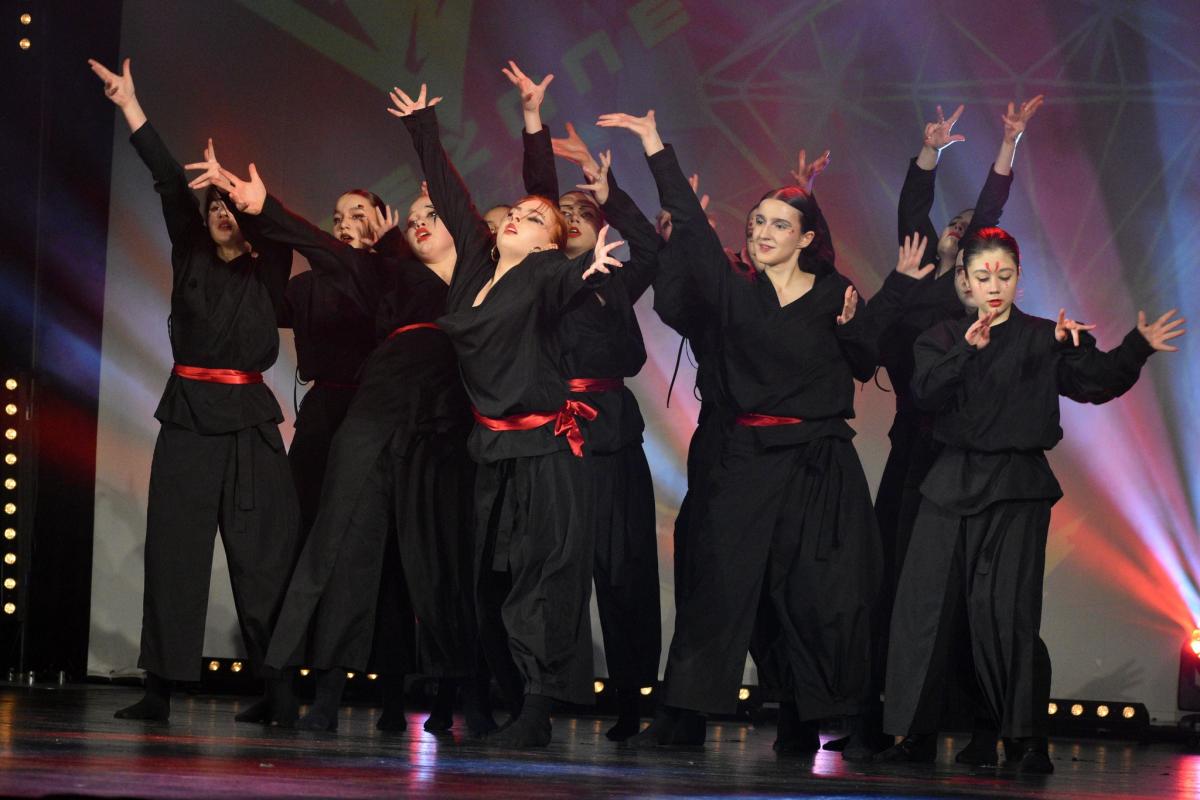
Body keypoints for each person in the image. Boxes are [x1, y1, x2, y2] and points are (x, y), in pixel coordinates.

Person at [599, 109, 892, 760]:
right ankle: (681, 715)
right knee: (719, 588)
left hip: (816, 463)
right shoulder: (735, 290)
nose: (761, 232)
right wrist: (654, 145)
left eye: (779, 224)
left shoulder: (835, 293)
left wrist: (851, 329)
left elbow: (866, 360)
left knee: (813, 593)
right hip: (743, 459)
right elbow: (693, 231)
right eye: (756, 221)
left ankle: (811, 716)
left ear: (806, 237)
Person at [194, 156, 486, 735]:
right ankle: (322, 692)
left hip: (441, 422)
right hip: (374, 412)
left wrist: (428, 135)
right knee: (343, 547)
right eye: (415, 216)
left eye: (431, 214)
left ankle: (458, 694)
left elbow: (477, 221)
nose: (420, 222)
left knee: (434, 560)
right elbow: (320, 250)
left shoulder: (480, 278)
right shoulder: (382, 274)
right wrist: (264, 210)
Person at [884, 226, 1184, 772]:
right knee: (927, 610)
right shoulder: (942, 336)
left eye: (1005, 275)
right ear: (964, 281)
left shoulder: (1046, 336)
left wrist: (1134, 347)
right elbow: (925, 392)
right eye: (983, 276)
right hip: (949, 481)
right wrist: (967, 351)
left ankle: (1024, 738)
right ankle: (917, 733)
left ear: (1019, 279)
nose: (994, 286)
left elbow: (1095, 384)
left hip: (1016, 485)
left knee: (1007, 613)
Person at [391, 84, 624, 748]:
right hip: (491, 451)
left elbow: (567, 278)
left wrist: (589, 270)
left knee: (539, 579)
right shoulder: (475, 267)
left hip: (545, 451)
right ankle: (507, 699)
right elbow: (454, 198)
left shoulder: (546, 275)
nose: (518, 216)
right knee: (488, 584)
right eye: (515, 212)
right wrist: (423, 128)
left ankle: (538, 711)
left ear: (551, 243)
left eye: (533, 216)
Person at [89, 57, 300, 724]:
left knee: (262, 558)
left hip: (249, 424)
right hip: (187, 416)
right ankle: (160, 687)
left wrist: (253, 200)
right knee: (174, 551)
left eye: (230, 207)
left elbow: (275, 228)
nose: (220, 213)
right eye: (213, 206)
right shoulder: (189, 253)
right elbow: (167, 181)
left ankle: (280, 689)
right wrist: (132, 108)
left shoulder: (269, 269)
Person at [874, 98, 1043, 763]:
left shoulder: (965, 297)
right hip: (912, 446)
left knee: (974, 593)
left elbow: (989, 216)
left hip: (958, 448)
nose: (958, 229)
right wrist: (929, 153)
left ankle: (985, 724)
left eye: (971, 231)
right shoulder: (919, 276)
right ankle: (911, 724)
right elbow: (911, 214)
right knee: (909, 590)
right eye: (955, 224)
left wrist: (1007, 146)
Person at [507, 61, 663, 740]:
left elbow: (652, 248)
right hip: (556, 434)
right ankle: (540, 701)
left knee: (623, 567)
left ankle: (629, 699)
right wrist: (533, 124)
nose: (570, 219)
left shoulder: (615, 281)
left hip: (615, 434)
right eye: (562, 215)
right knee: (552, 566)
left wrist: (612, 193)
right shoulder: (540, 279)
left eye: (583, 214)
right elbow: (538, 199)